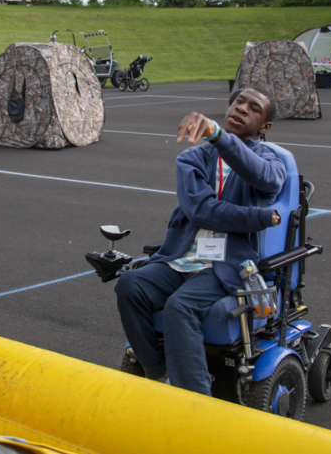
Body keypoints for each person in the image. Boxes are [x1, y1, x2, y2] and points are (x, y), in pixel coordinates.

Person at [115, 88, 285, 395]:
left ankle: (196, 400)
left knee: (180, 307)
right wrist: (257, 217)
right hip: (182, 257)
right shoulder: (192, 157)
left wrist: (219, 135)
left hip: (225, 265)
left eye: (254, 109)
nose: (242, 109)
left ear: (265, 127)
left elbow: (265, 178)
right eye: (238, 102)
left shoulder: (269, 161)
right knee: (130, 285)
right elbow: (201, 211)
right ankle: (158, 373)